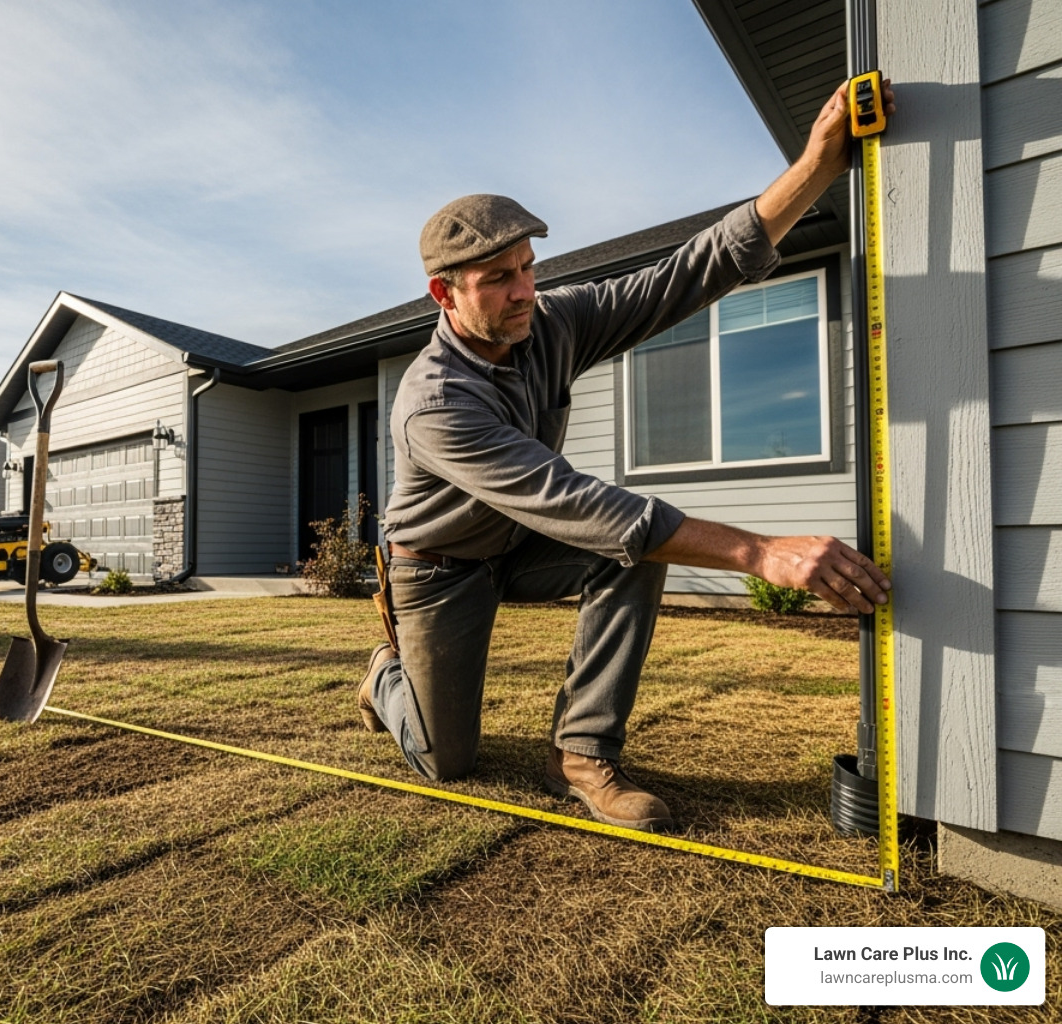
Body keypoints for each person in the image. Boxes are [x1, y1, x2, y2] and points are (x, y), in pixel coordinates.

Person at [359, 81, 896, 833]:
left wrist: (817, 164)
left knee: (633, 552)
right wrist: (761, 551)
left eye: (527, 266)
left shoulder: (549, 321)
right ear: (442, 295)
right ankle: (386, 679)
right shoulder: (434, 403)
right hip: (439, 567)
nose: (524, 292)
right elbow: (576, 502)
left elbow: (681, 277)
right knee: (449, 759)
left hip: (514, 540)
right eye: (498, 280)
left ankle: (581, 755)